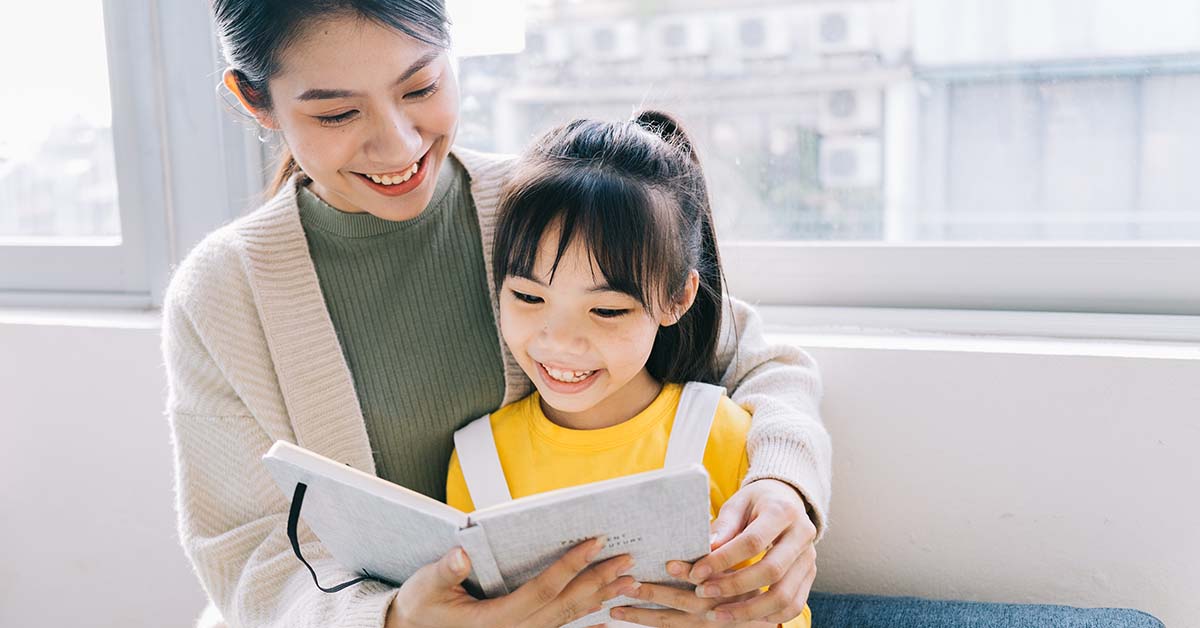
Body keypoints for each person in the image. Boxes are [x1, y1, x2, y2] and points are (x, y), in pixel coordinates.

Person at [164, 2, 831, 627]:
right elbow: (245, 553)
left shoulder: (532, 206)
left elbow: (758, 361)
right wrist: (393, 619)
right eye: (337, 115)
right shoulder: (224, 293)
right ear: (257, 101)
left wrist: (784, 486)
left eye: (420, 87)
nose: (398, 146)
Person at [445, 111, 812, 628]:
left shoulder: (723, 433)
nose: (560, 341)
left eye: (607, 310)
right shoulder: (476, 458)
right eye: (528, 297)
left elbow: (776, 608)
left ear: (677, 298)